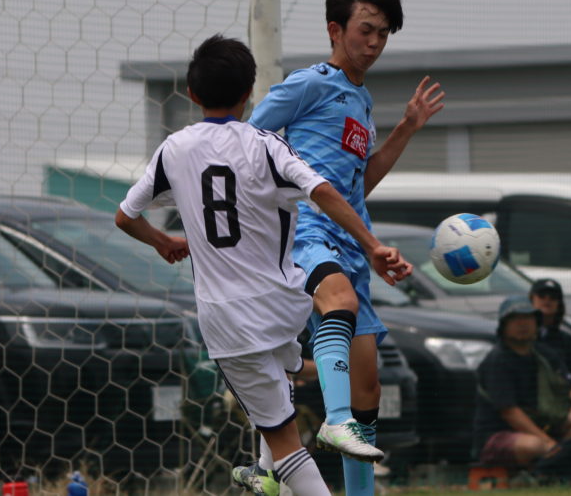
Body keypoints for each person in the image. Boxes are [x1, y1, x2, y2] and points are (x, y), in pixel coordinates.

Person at [115, 35, 412, 496]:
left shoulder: (174, 150)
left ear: (191, 94)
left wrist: (162, 241)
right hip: (282, 305)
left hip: (231, 320)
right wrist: (372, 244)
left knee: (288, 444)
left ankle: (309, 442)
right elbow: (323, 191)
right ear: (249, 93)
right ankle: (264, 471)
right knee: (280, 392)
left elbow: (125, 216)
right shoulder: (267, 146)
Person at [246, 0, 445, 496]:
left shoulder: (361, 101)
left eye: (383, 33)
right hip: (308, 230)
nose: (375, 42)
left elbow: (359, 185)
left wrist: (406, 127)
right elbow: (247, 141)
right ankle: (326, 426)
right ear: (336, 30)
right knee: (337, 301)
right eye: (366, 30)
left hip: (353, 242)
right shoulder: (310, 83)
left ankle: (336, 476)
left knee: (368, 387)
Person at [473, 295, 571, 485]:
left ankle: (558, 472)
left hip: (541, 427)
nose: (523, 324)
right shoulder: (497, 360)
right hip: (498, 436)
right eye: (515, 319)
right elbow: (510, 412)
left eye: (528, 318)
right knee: (535, 445)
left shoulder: (544, 354)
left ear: (537, 324)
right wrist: (548, 442)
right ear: (503, 326)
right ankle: (544, 473)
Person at [529, 278, 571, 388]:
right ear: (531, 299)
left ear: (559, 304)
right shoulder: (520, 336)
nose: (547, 300)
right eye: (542, 296)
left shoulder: (567, 341)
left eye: (553, 297)